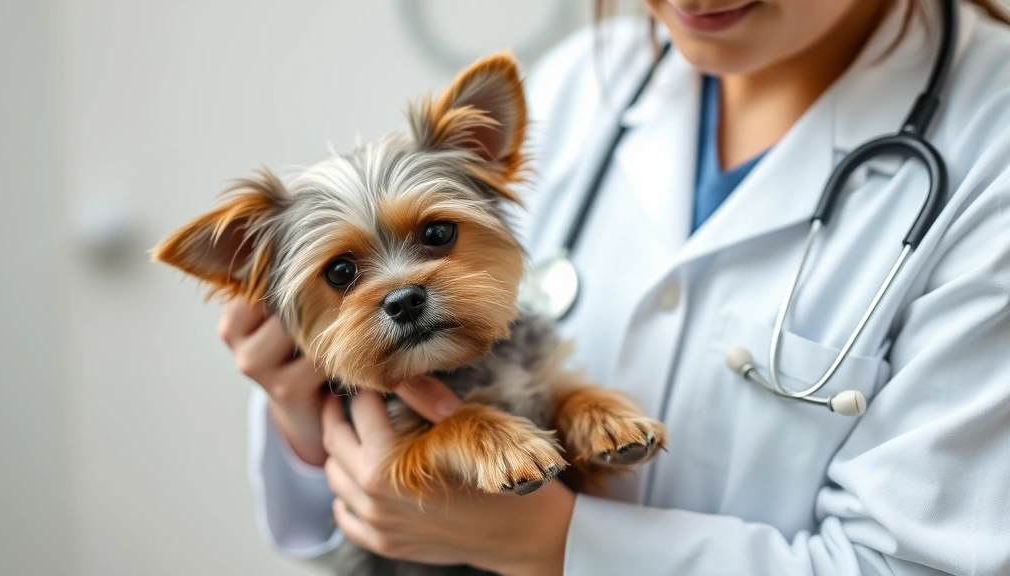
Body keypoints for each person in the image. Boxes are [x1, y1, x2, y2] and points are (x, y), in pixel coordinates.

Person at [219, 0, 1010, 573]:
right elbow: (348, 532)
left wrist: (556, 546)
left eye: (432, 237)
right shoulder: (586, 81)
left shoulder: (991, 143)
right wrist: (306, 413)